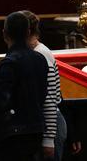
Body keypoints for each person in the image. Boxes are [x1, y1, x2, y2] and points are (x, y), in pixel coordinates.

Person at [0, 11, 48, 160]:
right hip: (36, 131)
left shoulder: (10, 64)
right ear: (28, 32)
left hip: (12, 136)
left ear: (4, 34)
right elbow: (43, 97)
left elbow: (0, 101)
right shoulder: (40, 59)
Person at [21, 11, 63, 161]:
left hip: (49, 126)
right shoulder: (32, 53)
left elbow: (51, 98)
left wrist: (48, 139)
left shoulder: (41, 54)